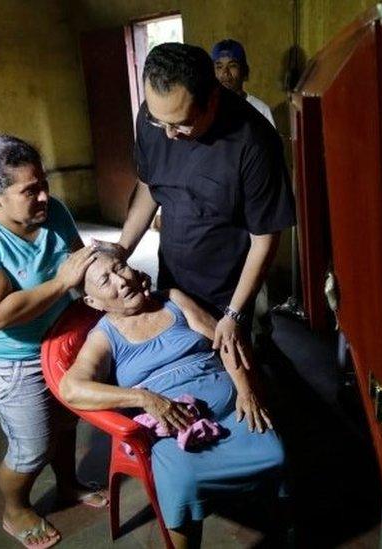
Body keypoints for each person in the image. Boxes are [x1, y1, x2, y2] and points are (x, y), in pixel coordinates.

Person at [0, 134, 109, 549]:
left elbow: (77, 263)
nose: (45, 196)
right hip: (11, 359)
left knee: (67, 421)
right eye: (29, 190)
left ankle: (68, 483)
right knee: (31, 445)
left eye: (44, 183)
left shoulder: (54, 212)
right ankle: (15, 510)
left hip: (61, 341)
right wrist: (63, 280)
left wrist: (108, 269)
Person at [58, 253, 285, 549]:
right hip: (175, 431)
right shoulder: (104, 336)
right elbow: (72, 388)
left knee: (276, 454)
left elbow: (224, 338)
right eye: (106, 280)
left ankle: (282, 529)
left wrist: (246, 390)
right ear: (94, 302)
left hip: (233, 410)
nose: (121, 280)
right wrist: (144, 398)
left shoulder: (172, 299)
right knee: (182, 481)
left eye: (120, 267)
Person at [113, 43, 295, 372]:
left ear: (212, 99)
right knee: (186, 364)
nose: (168, 135)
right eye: (159, 121)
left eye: (181, 124)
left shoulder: (254, 142)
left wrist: (235, 312)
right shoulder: (153, 118)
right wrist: (122, 249)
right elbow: (149, 187)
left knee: (239, 372)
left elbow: (264, 238)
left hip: (229, 287)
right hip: (173, 277)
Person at [212, 38, 275, 127]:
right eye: (219, 67)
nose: (225, 72)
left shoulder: (260, 110)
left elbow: (271, 141)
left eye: (232, 66)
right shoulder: (206, 111)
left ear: (244, 71)